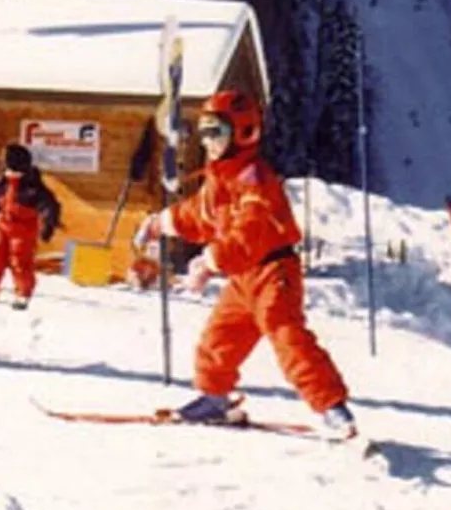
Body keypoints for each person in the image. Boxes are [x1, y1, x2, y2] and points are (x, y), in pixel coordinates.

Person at [132, 89, 357, 438]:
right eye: (204, 131)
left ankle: (332, 408)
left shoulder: (256, 180)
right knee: (219, 339)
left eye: (216, 132)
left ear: (244, 133)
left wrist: (210, 260)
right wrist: (160, 223)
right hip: (242, 278)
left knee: (288, 338)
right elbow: (200, 214)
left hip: (273, 272)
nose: (208, 141)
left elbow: (249, 234)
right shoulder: (219, 178)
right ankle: (214, 399)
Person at [0, 143, 62, 309]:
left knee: (20, 260)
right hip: (2, 225)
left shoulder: (33, 186)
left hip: (23, 230)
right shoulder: (2, 182)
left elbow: (50, 206)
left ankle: (23, 293)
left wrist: (49, 225)